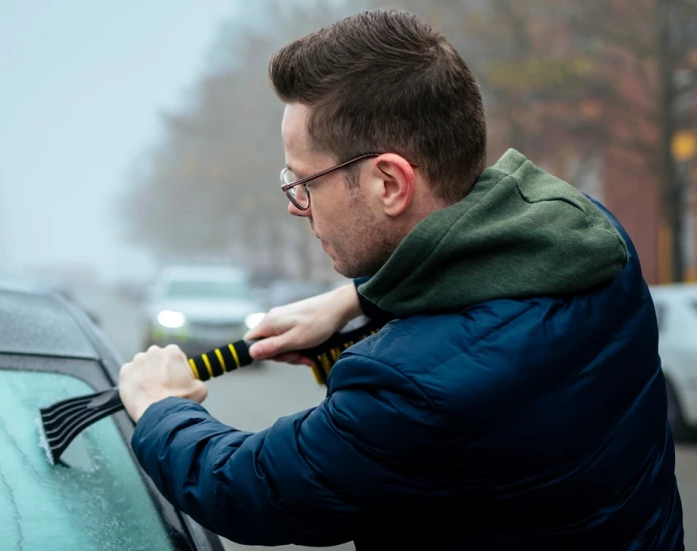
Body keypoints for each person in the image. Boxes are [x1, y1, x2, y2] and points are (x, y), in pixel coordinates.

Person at [117, 9, 684, 550]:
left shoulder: (409, 389)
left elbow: (250, 489)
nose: (295, 205)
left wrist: (162, 407)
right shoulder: (592, 241)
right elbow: (480, 278)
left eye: (305, 182)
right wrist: (357, 301)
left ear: (389, 183)